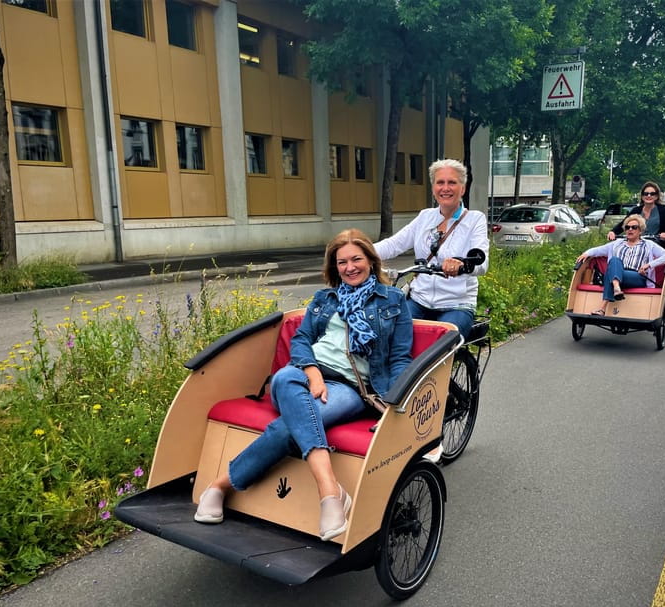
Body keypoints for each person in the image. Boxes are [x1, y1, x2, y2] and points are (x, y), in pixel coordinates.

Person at [194, 229, 413, 541]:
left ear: (371, 261)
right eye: (342, 262)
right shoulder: (325, 299)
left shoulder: (393, 300)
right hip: (304, 375)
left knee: (288, 428)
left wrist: (394, 401)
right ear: (334, 266)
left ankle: (220, 485)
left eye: (356, 259)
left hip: (350, 388)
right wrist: (313, 373)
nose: (349, 267)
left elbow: (400, 356)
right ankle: (329, 489)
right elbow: (301, 340)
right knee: (284, 377)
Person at [374, 158, 489, 338]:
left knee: (441, 343)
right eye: (440, 182)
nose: (445, 188)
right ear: (434, 188)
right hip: (419, 300)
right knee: (391, 334)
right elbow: (394, 244)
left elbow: (482, 263)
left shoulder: (475, 219)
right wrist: (359, 253)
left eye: (452, 182)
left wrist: (462, 264)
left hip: (456, 304)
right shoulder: (425, 217)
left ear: (463, 188)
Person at [578, 213, 665, 316]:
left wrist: (649, 265)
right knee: (614, 261)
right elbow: (597, 250)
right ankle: (615, 288)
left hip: (637, 276)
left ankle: (603, 306)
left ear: (640, 230)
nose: (630, 230)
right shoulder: (617, 244)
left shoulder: (648, 245)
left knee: (610, 273)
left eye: (634, 227)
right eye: (627, 227)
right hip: (617, 273)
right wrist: (586, 253)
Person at [608, 181, 665, 253]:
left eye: (652, 194)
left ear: (656, 196)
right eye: (646, 194)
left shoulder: (663, 209)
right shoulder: (636, 210)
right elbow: (624, 223)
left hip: (658, 246)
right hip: (639, 247)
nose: (649, 196)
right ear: (642, 196)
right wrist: (613, 232)